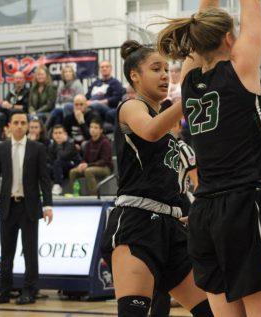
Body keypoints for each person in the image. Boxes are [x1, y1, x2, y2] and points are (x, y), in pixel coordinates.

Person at [157, 0, 261, 315]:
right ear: (229, 39)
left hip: (204, 212)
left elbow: (215, 16)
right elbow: (253, 9)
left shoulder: (188, 81)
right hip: (245, 204)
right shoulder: (240, 67)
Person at [100, 40, 212, 317]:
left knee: (211, 311)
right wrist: (187, 99)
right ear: (135, 76)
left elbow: (191, 65)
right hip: (136, 222)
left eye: (166, 68)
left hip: (172, 226)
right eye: (156, 69)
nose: (164, 75)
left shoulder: (168, 126)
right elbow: (149, 131)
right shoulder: (131, 107)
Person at [0, 109, 53, 305]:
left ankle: (29, 291)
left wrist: (47, 205)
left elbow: (44, 179)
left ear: (27, 126)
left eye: (23, 123)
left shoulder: (37, 148)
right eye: (16, 123)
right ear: (9, 126)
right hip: (7, 206)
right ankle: (5, 291)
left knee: (30, 251)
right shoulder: (1, 148)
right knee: (6, 252)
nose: (20, 126)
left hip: (29, 206)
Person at [68, 118, 112, 195]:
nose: (92, 129)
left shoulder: (105, 142)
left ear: (101, 130)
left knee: (88, 171)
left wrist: (88, 165)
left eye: (95, 127)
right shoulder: (88, 143)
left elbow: (104, 161)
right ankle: (76, 194)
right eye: (91, 127)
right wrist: (82, 164)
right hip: (91, 166)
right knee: (73, 172)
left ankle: (94, 196)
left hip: (105, 167)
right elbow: (85, 159)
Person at [0, 71, 29, 141]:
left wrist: (11, 106)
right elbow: (5, 101)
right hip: (8, 112)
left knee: (4, 109)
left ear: (24, 80)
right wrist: (4, 103)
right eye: (17, 78)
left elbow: (25, 107)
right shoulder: (12, 91)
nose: (18, 80)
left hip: (20, 113)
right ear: (14, 80)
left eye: (20, 78)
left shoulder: (27, 91)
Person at [46, 65, 85, 130]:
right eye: (65, 72)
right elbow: (57, 99)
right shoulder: (61, 84)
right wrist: (58, 105)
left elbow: (80, 100)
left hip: (73, 107)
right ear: (63, 74)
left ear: (73, 74)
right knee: (58, 116)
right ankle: (56, 134)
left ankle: (45, 129)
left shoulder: (77, 84)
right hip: (61, 106)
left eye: (70, 72)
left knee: (62, 108)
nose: (67, 73)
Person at [86, 60, 124, 125]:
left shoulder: (115, 83)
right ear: (99, 69)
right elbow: (87, 96)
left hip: (108, 108)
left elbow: (117, 98)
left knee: (96, 105)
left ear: (111, 68)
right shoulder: (95, 83)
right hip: (91, 105)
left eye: (107, 67)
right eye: (102, 67)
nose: (104, 68)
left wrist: (101, 102)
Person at [48, 125, 81, 196]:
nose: (58, 135)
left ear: (65, 134)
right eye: (55, 133)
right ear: (52, 135)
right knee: (46, 167)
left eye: (60, 133)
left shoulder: (70, 143)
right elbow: (51, 161)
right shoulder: (51, 146)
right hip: (59, 168)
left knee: (58, 162)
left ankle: (57, 185)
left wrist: (59, 145)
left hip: (72, 165)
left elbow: (62, 156)